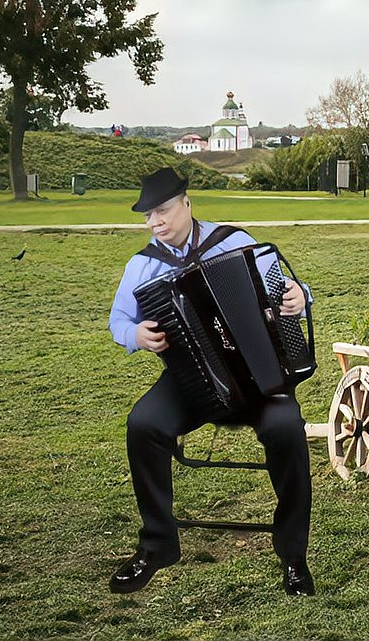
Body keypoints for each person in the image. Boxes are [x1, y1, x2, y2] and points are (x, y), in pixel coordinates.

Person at [107, 167, 315, 596]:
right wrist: (136, 335)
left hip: (261, 383)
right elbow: (118, 321)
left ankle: (294, 556)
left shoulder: (236, 243)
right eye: (147, 216)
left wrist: (299, 294)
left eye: (162, 211)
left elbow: (290, 291)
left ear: (186, 203)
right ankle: (158, 544)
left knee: (287, 429)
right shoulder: (144, 265)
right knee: (143, 424)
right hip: (192, 383)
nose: (155, 222)